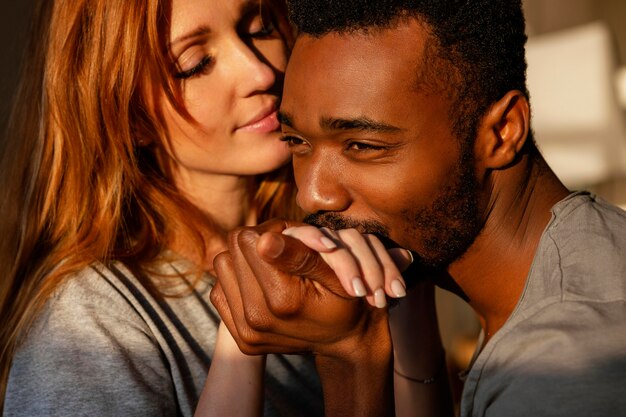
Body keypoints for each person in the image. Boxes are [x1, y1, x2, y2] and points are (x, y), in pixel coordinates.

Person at [209, 0, 626, 416]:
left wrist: (349, 357)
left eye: (362, 146)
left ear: (501, 132)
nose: (312, 196)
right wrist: (407, 314)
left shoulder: (568, 368)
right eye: (297, 142)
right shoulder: (572, 265)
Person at [0, 0, 329, 415]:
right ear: (130, 115)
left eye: (260, 28)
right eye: (194, 64)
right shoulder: (89, 320)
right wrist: (241, 344)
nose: (260, 73)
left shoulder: (331, 239)